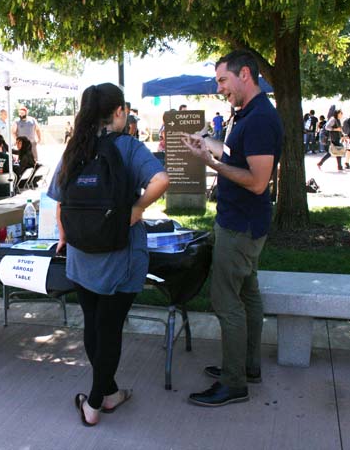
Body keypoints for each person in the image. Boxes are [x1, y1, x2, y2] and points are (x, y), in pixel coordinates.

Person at [47, 82, 169, 426]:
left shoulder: (75, 149)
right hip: (121, 255)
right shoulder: (128, 146)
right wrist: (137, 208)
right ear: (119, 112)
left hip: (81, 253)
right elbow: (161, 179)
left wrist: (64, 235)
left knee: (94, 325)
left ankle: (109, 393)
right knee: (110, 328)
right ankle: (96, 403)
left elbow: (59, 202)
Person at [180, 50, 283, 407]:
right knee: (247, 295)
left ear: (244, 74)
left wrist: (210, 164)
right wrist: (207, 147)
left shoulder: (259, 120)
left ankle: (234, 381)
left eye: (223, 80)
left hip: (241, 226)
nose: (219, 88)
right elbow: (235, 156)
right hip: (242, 222)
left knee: (226, 301)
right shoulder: (249, 114)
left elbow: (256, 181)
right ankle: (246, 366)